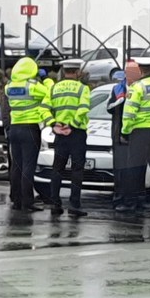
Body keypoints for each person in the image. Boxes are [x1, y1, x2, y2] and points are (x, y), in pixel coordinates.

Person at [117, 57, 150, 215]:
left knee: (134, 168)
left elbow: (129, 111)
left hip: (140, 131)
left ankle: (131, 203)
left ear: (140, 69)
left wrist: (125, 132)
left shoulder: (138, 87)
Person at [5, 56, 52, 212]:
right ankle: (27, 202)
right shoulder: (33, 86)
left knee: (16, 166)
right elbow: (50, 91)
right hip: (30, 129)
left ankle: (17, 201)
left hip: (14, 129)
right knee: (28, 167)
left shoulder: (9, 86)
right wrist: (45, 78)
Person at [48, 59, 91, 217]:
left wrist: (53, 124)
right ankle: (74, 205)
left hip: (60, 133)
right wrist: (72, 126)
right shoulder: (83, 89)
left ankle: (55, 204)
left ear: (64, 71)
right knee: (77, 170)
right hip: (76, 133)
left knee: (57, 169)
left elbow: (45, 108)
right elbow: (83, 109)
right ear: (77, 72)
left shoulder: (54, 88)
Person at [106, 70, 129, 208]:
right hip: (118, 134)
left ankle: (132, 199)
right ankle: (119, 197)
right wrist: (120, 101)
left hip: (136, 134)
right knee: (119, 169)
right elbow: (109, 107)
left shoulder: (140, 88)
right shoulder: (117, 89)